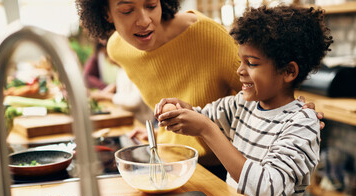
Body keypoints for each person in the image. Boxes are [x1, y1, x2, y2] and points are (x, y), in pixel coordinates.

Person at [75, 0, 324, 181]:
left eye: (151, 5)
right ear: (106, 13)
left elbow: (267, 88)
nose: (144, 20)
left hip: (225, 169)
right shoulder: (118, 49)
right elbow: (166, 89)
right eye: (127, 10)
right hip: (169, 159)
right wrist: (161, 124)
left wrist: (298, 109)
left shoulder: (208, 37)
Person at [154, 5, 333, 196]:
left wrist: (208, 130)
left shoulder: (302, 124)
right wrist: (179, 110)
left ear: (289, 71)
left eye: (252, 63)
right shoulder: (242, 104)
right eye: (241, 61)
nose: (240, 70)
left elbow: (264, 189)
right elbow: (201, 117)